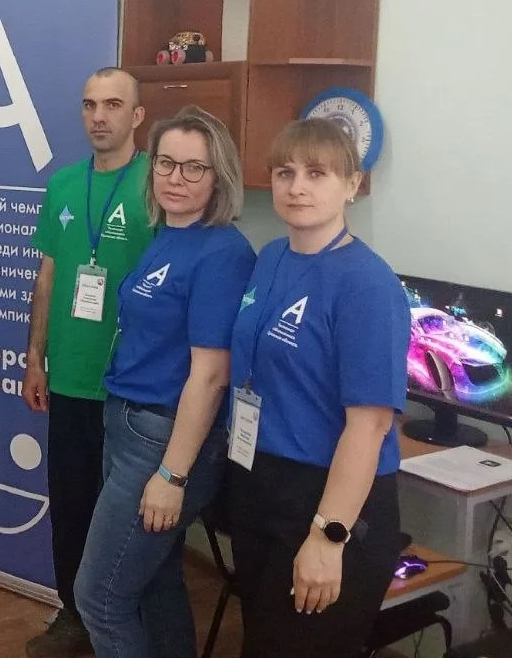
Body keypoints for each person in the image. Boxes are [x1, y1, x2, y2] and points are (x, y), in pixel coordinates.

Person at [74, 107, 256, 658]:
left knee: (100, 598)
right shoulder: (168, 235)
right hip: (128, 421)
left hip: (162, 440)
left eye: (194, 168)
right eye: (166, 163)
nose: (176, 178)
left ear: (219, 177)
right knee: (155, 584)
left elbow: (212, 374)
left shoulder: (222, 252)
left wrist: (172, 476)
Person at [228, 118, 409, 658]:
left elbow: (370, 426)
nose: (297, 187)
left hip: (330, 497)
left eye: (316, 173)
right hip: (261, 480)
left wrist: (328, 538)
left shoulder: (368, 284)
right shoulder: (270, 257)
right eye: (284, 172)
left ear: (352, 185)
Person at [21, 67, 153, 658]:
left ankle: (120, 625)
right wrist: (35, 358)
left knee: (122, 518)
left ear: (137, 116)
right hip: (69, 376)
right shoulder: (63, 185)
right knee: (71, 505)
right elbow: (47, 276)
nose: (99, 116)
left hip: (132, 387)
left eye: (113, 105)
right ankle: (72, 615)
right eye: (90, 105)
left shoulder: (157, 185)